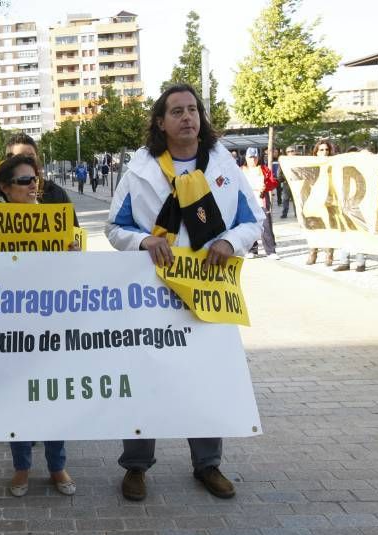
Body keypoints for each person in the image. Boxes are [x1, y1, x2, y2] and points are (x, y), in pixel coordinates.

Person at [106, 83, 264, 501]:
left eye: (192, 109)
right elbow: (114, 228)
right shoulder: (140, 169)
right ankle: (136, 467)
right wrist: (143, 242)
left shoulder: (222, 164)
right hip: (152, 296)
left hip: (208, 293)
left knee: (205, 377)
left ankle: (208, 465)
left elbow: (253, 219)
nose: (187, 117)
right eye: (176, 111)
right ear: (161, 122)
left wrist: (230, 243)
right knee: (146, 377)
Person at [0, 154, 77, 498]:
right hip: (8, 326)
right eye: (25, 181)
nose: (33, 186)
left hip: (49, 322)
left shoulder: (52, 220)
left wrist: (73, 256)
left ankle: (58, 466)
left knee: (53, 397)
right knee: (18, 397)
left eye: (35, 180)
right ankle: (22, 467)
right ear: (4, 188)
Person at [4, 133, 79, 227]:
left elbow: (74, 234)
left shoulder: (56, 194)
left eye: (31, 157)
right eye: (19, 158)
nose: (28, 162)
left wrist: (74, 241)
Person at [333, 146, 367, 272]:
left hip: (358, 205)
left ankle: (360, 263)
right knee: (344, 234)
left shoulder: (363, 169)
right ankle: (344, 261)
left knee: (359, 234)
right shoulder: (342, 169)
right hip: (344, 205)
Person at [242, 147, 279, 259]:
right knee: (249, 226)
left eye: (254, 157)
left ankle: (271, 251)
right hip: (247, 203)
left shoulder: (264, 170)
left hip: (261, 202)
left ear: (258, 158)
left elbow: (274, 182)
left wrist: (266, 187)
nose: (252, 160)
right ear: (246, 158)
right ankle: (251, 249)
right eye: (250, 157)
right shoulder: (240, 170)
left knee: (266, 226)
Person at [305, 139, 336, 266]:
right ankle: (313, 252)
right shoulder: (311, 165)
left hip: (329, 198)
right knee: (313, 225)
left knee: (329, 226)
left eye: (326, 150)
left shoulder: (333, 163)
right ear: (316, 152)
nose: (324, 152)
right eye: (321, 150)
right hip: (314, 199)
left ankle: (329, 254)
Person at [279, 146, 297, 218]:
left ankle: (297, 213)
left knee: (296, 200)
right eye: (288, 152)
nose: (290, 153)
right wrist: (281, 179)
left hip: (296, 183)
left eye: (292, 151)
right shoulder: (284, 161)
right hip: (287, 183)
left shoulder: (299, 160)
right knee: (285, 199)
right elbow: (279, 172)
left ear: (295, 151)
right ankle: (284, 213)